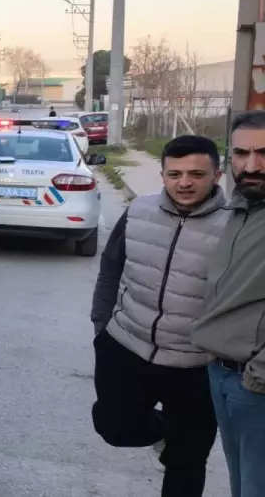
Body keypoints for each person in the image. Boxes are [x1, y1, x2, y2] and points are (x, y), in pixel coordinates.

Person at [90, 135, 229, 497]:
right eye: (175, 173)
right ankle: (168, 428)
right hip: (127, 345)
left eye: (196, 174)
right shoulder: (138, 210)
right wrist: (101, 326)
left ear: (217, 174)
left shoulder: (236, 227)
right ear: (163, 174)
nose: (184, 183)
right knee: (115, 427)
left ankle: (180, 435)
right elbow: (110, 268)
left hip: (195, 364)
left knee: (188, 459)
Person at [191, 110, 265, 497]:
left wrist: (258, 377)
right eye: (241, 153)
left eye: (263, 153)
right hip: (223, 373)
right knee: (241, 483)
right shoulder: (242, 208)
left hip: (255, 383)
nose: (252, 165)